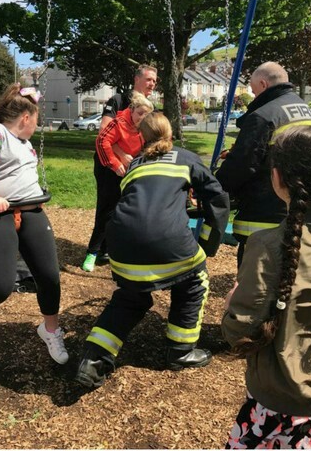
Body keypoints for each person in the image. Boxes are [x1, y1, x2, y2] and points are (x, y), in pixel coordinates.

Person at [75, 113, 230, 388]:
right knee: (194, 281)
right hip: (166, 241)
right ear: (171, 135)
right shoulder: (185, 157)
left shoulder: (135, 164)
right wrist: (208, 243)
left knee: (131, 296)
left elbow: (143, 202)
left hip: (121, 244)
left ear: (141, 138)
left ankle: (94, 357)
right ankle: (181, 351)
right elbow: (217, 198)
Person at [222, 125, 311, 449]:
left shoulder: (268, 245)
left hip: (277, 396)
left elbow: (241, 328)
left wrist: (231, 303)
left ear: (278, 178)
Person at [0, 83, 68, 365]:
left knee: (49, 277)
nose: (36, 126)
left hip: (31, 212)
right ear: (26, 118)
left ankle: (50, 329)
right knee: (2, 285)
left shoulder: (25, 144)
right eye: (37, 120)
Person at [215, 62, 311, 269]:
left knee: (256, 282)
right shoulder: (305, 109)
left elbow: (242, 165)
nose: (254, 98)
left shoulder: (263, 115)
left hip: (263, 214)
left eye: (254, 92)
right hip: (299, 208)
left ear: (263, 84)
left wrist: (215, 185)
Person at [81, 92, 153, 272]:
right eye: (140, 113)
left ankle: (116, 249)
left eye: (146, 115)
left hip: (129, 171)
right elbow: (102, 142)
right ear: (132, 109)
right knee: (107, 211)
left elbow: (146, 145)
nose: (142, 118)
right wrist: (114, 164)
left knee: (127, 211)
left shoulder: (144, 127)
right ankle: (92, 252)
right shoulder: (118, 123)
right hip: (110, 170)